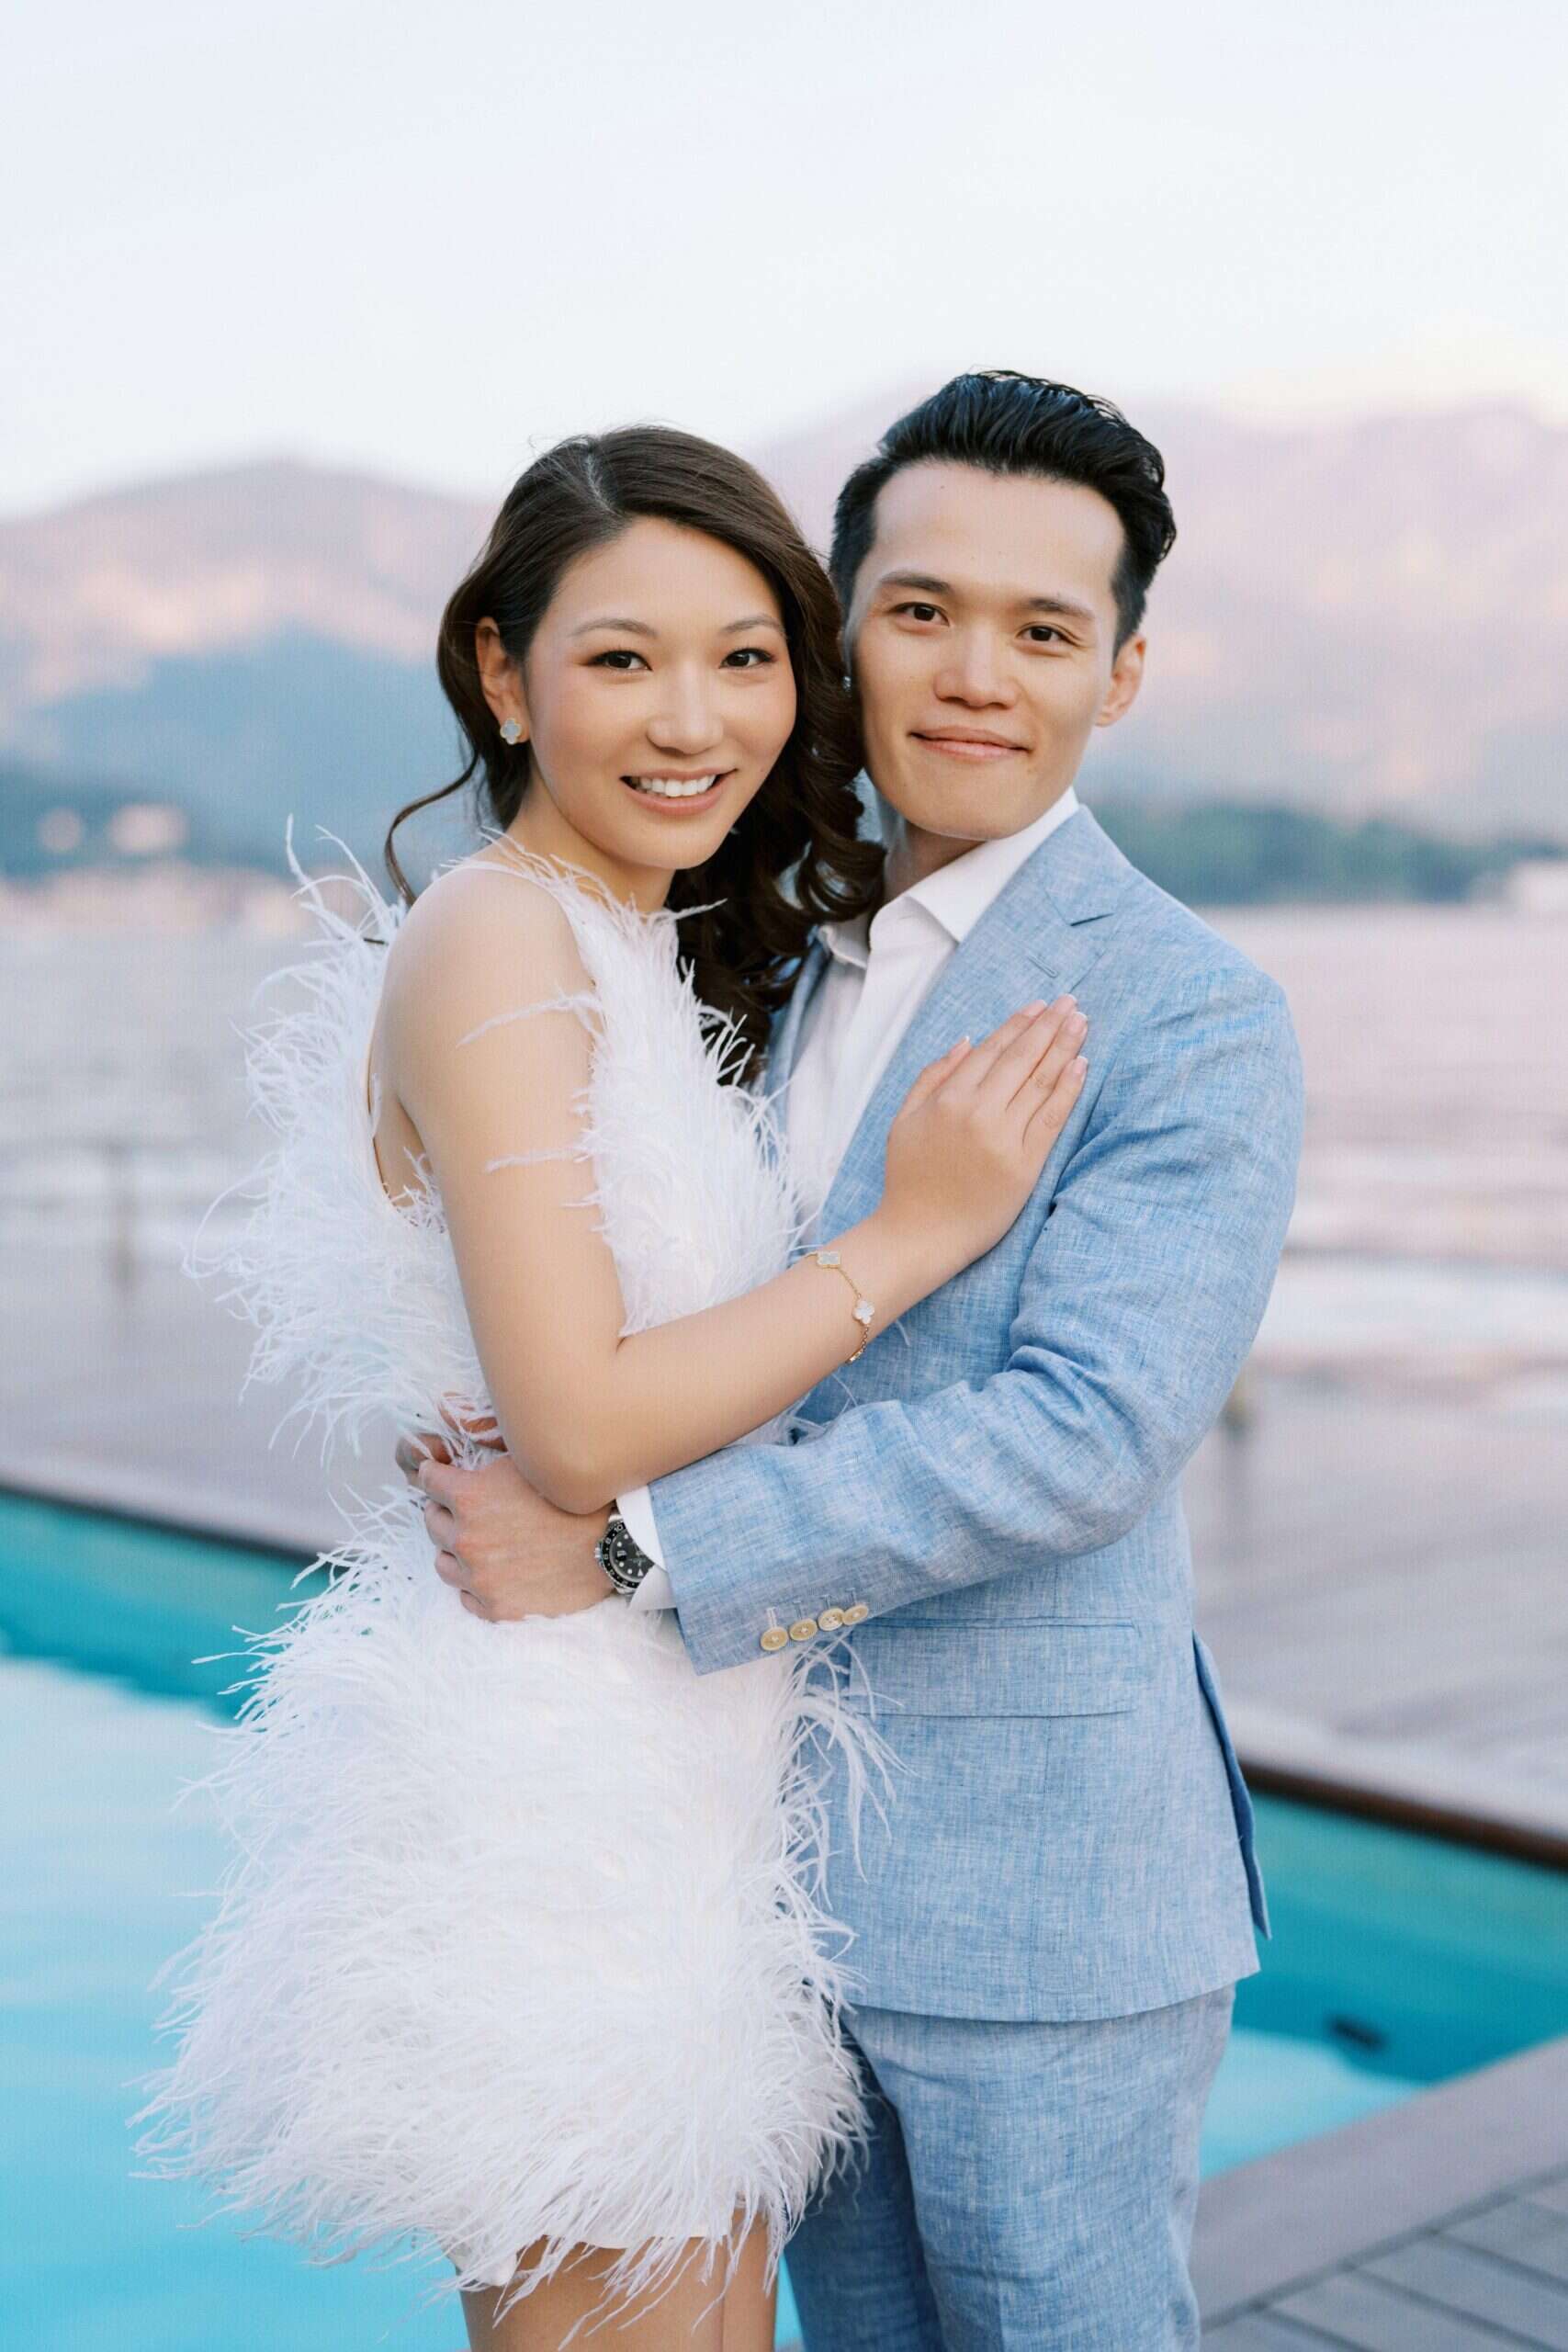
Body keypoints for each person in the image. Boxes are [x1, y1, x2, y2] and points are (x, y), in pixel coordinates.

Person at [134, 423, 1088, 2352]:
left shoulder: (621, 945)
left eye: (745, 658)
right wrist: (911, 1235)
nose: (693, 718)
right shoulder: (498, 934)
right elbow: (572, 1425)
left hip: (671, 1759)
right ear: (504, 673)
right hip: (557, 1791)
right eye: (622, 657)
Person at [402, 372, 1306, 2351]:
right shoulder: (764, 952)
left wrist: (630, 1545)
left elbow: (1084, 1434)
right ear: (845, 636)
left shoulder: (1189, 1012)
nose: (974, 675)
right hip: (761, 1883)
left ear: (1119, 674)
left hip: (1039, 1906)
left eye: (1042, 630)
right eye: (920, 611)